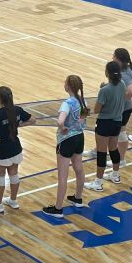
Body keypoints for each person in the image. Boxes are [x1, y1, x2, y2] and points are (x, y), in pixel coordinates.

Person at [42, 75, 89, 217]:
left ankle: (58, 209)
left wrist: (63, 128)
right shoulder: (83, 101)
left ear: (68, 86)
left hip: (67, 140)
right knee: (79, 168)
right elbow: (82, 120)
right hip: (79, 137)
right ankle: (78, 198)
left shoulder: (67, 103)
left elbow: (60, 121)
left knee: (62, 175)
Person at [0, 86, 36, 213]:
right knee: (14, 174)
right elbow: (33, 119)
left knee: (0, 176)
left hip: (1, 150)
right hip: (15, 147)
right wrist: (20, 124)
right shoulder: (17, 110)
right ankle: (13, 200)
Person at [85, 61, 126, 192]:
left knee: (102, 153)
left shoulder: (104, 90)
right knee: (113, 149)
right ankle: (115, 175)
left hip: (104, 123)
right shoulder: (122, 84)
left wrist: (85, 112)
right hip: (117, 122)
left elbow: (97, 109)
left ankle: (98, 183)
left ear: (106, 72)